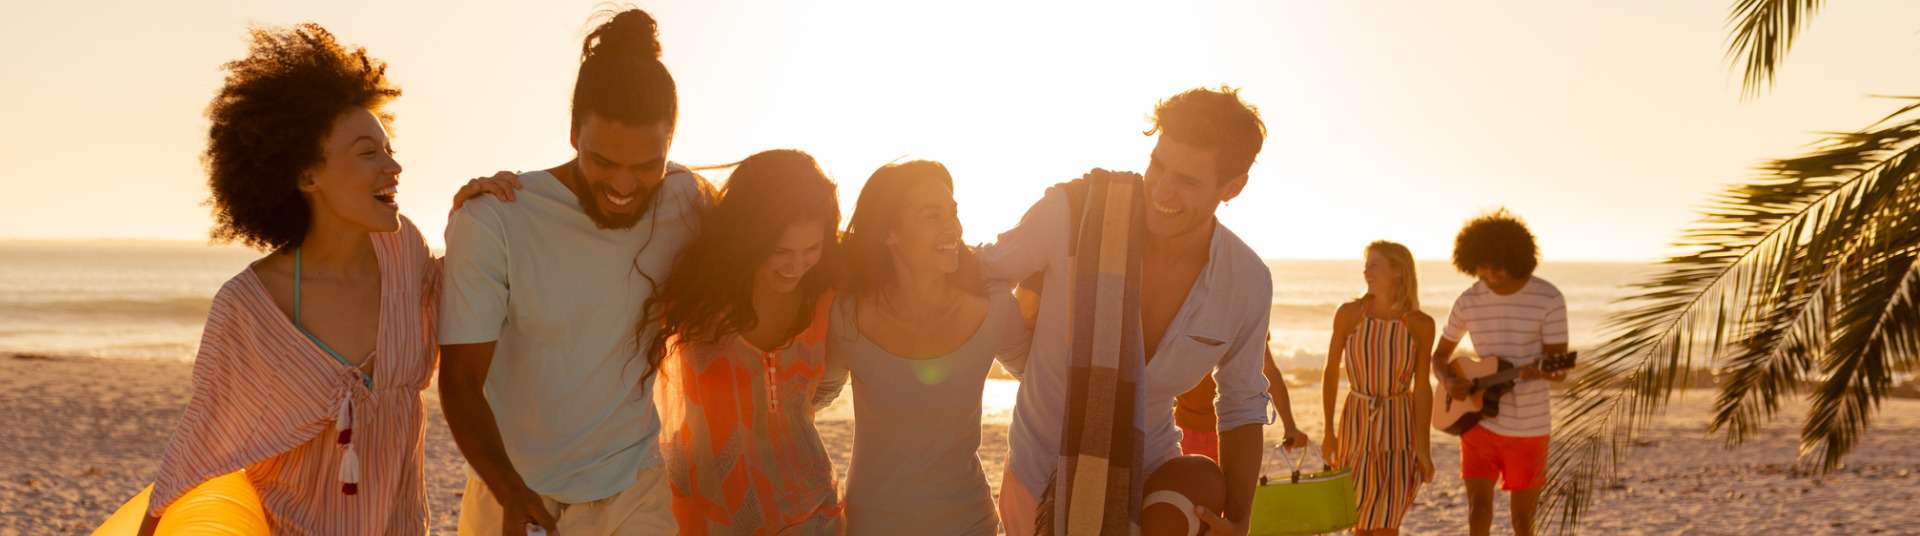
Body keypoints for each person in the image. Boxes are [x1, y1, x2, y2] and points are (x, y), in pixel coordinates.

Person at [143, 23, 437, 535]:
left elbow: (485, 302)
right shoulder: (249, 306)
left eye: (388, 149)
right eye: (369, 153)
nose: (394, 166)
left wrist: (491, 206)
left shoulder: (406, 254)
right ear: (307, 176)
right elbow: (199, 442)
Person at [438, 8, 705, 535]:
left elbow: (774, 238)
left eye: (646, 165)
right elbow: (461, 380)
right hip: (512, 490)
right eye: (603, 161)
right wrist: (510, 491)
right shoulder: (496, 220)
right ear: (571, 133)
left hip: (634, 488)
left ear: (670, 144)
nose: (624, 186)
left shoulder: (686, 202)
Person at [981, 86, 1279, 536]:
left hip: (1147, 475)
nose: (1161, 189)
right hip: (1040, 480)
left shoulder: (1246, 281)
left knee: (1202, 475)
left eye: (1188, 180)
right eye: (1158, 165)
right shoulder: (1076, 213)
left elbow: (1241, 404)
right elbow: (985, 273)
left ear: (1232, 188)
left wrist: (1241, 520)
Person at [814, 160, 1031, 534]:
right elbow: (812, 397)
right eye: (933, 215)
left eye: (953, 213)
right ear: (889, 233)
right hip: (871, 526)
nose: (954, 227)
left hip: (969, 524)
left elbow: (1041, 377)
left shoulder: (993, 309)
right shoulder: (847, 317)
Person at [648, 149, 845, 535]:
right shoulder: (694, 297)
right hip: (705, 516)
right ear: (748, 237)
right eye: (781, 251)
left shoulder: (825, 297)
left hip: (811, 513)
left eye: (812, 250)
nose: (797, 266)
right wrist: (512, 191)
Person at [1431, 210, 1571, 536]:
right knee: (1478, 512)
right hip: (1479, 420)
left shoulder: (1548, 298)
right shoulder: (1468, 301)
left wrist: (1539, 372)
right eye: (1480, 268)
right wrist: (1449, 380)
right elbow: (1440, 356)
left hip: (1530, 427)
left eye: (1495, 267)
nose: (1487, 275)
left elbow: (1559, 370)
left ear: (1514, 258)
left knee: (1523, 522)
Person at [1319, 241, 1436, 536]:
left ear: (1397, 271)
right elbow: (1331, 372)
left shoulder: (1420, 324)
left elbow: (1423, 388)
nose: (1365, 271)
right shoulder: (1349, 314)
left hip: (1400, 426)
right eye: (1366, 264)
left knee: (1387, 522)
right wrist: (1328, 432)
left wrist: (1423, 447)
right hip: (1357, 423)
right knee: (1358, 520)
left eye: (1374, 265)